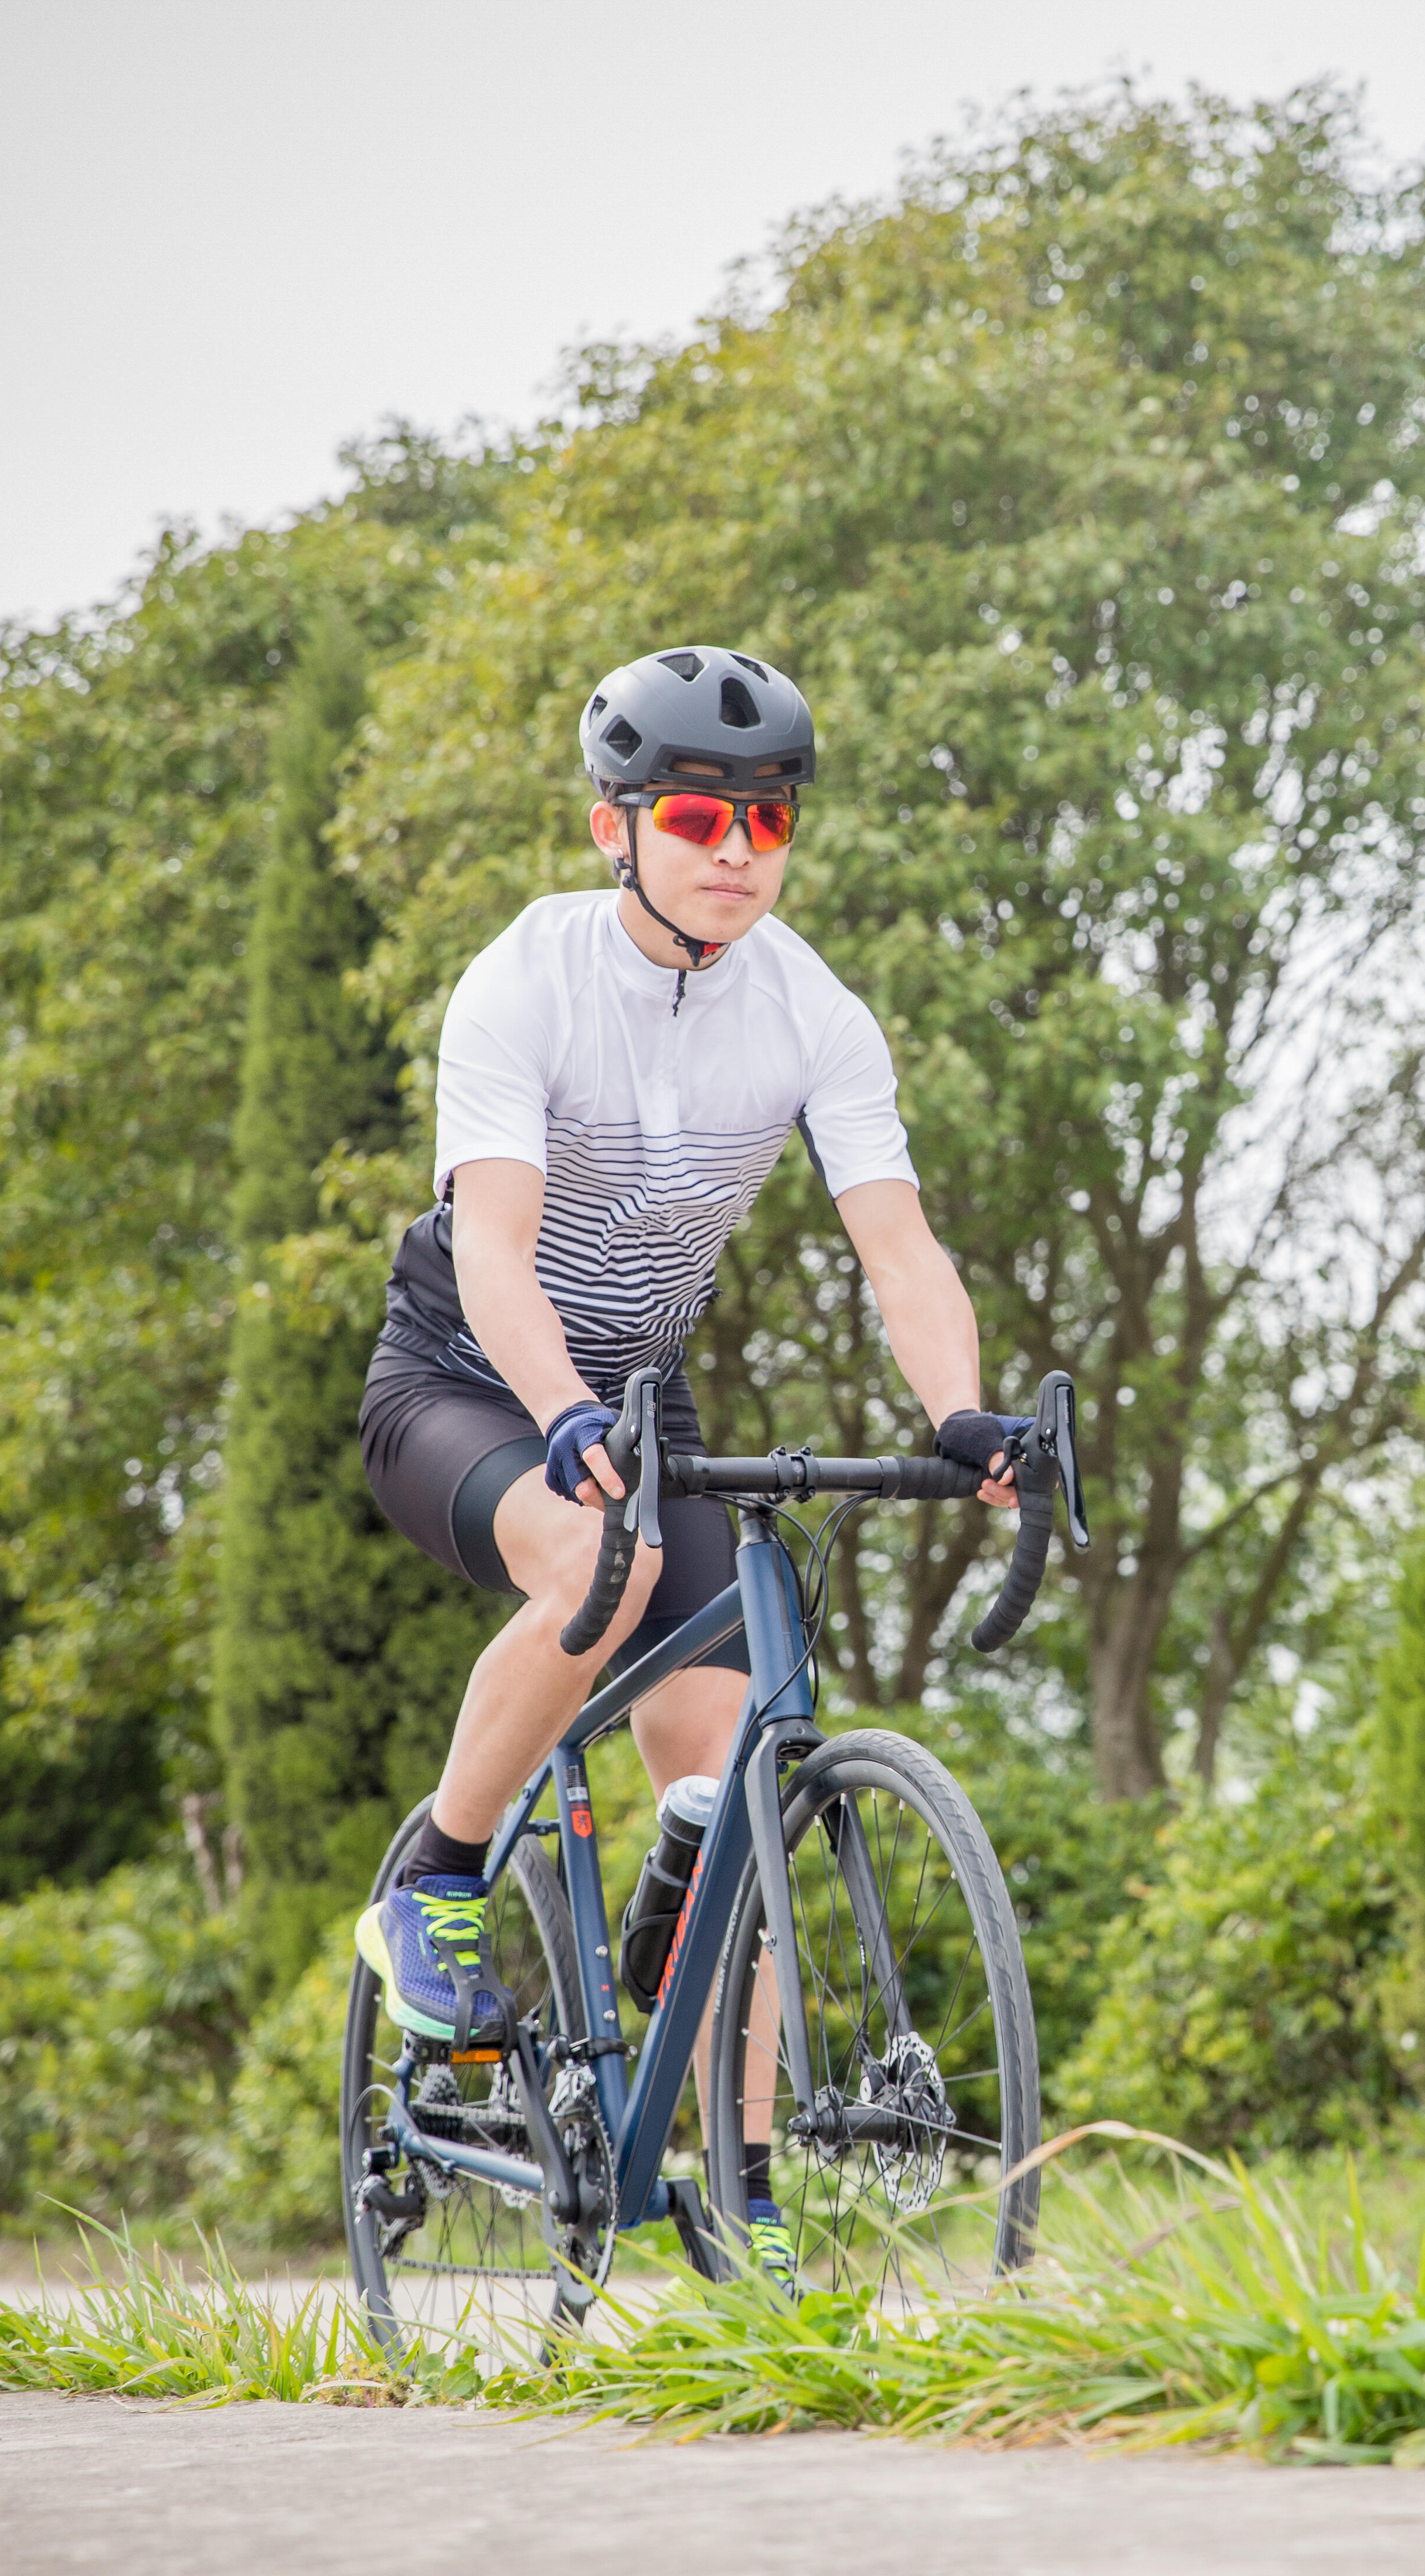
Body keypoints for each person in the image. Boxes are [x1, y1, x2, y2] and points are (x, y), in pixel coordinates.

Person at [348, 643, 1019, 2282]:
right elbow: (497, 1252)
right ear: (613, 828)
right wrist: (563, 1413)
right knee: (608, 1564)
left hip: (642, 1393)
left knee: (739, 1802)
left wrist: (962, 1418)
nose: (738, 848)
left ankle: (748, 2192)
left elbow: (901, 1249)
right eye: (702, 813)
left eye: (770, 820)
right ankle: (436, 1881)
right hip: (465, 1373)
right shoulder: (525, 981)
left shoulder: (813, 1010)